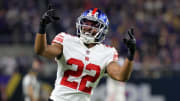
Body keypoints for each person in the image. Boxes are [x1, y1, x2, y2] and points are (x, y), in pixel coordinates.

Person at [34, 5, 136, 101]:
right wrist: (42, 27)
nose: (88, 27)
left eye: (94, 25)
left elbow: (121, 76)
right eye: (86, 23)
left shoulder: (107, 52)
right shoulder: (66, 40)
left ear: (102, 29)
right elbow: (42, 50)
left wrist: (130, 55)